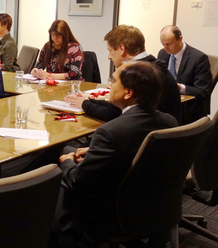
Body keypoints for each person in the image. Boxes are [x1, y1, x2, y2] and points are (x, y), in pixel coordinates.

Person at [56, 62, 178, 236]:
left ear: (128, 93)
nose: (109, 85)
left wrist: (67, 162)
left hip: (113, 209)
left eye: (113, 81)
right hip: (150, 202)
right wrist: (94, 151)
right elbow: (137, 150)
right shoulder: (169, 121)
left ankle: (62, 236)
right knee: (72, 148)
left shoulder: (110, 132)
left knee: (61, 161)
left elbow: (78, 181)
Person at [65, 25, 181, 123]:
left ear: (121, 48)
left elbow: (112, 114)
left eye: (110, 51)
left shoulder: (136, 73)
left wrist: (85, 104)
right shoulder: (154, 66)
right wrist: (89, 100)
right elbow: (116, 107)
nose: (109, 57)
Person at [157, 25, 212, 123]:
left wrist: (179, 87)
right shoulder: (163, 53)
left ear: (180, 39)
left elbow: (203, 91)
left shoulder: (199, 58)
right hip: (167, 105)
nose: (165, 48)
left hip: (188, 110)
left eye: (169, 44)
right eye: (163, 44)